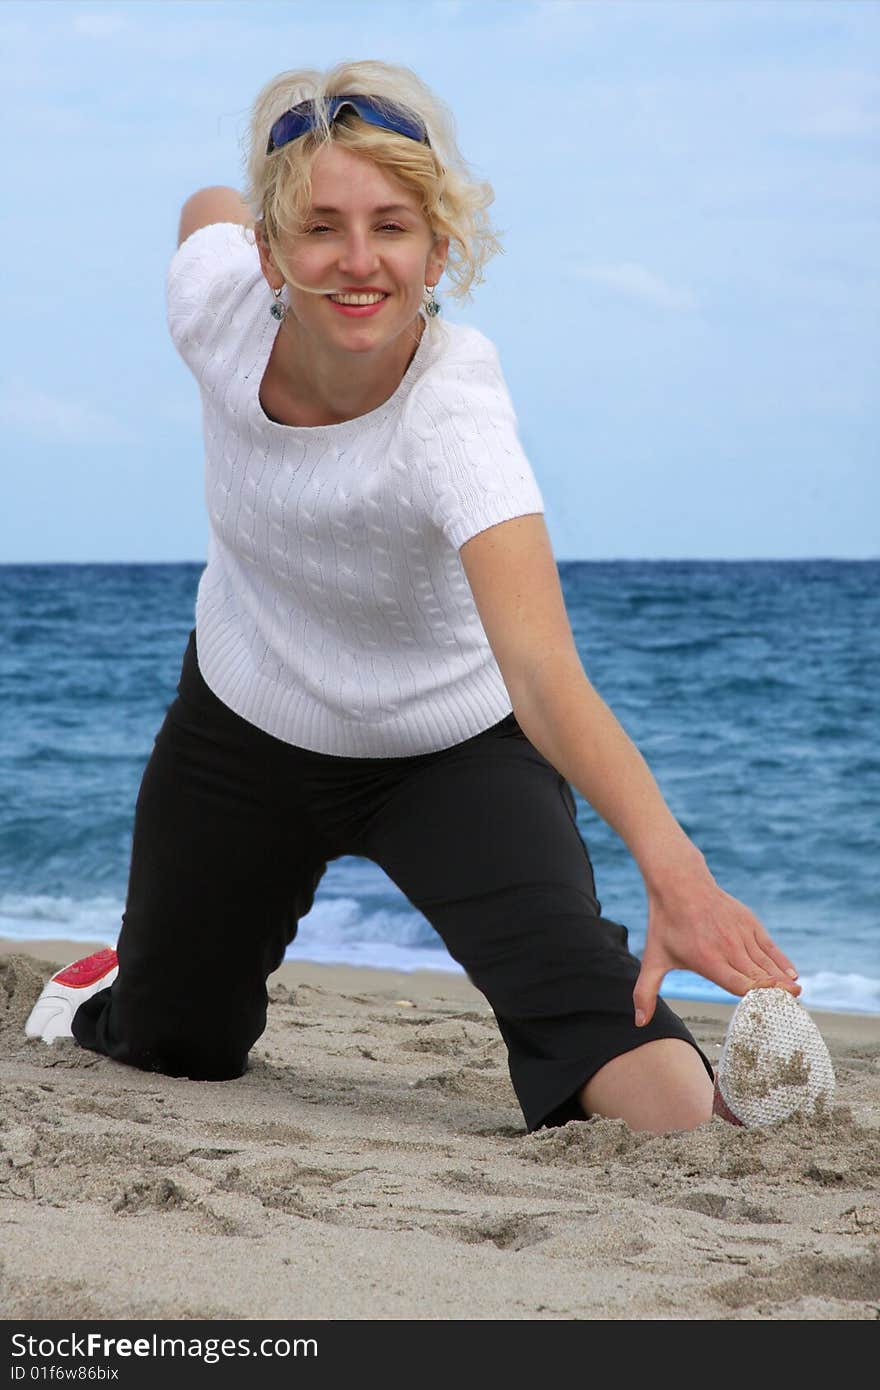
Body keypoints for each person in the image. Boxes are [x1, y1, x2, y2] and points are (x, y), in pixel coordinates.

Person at [26, 60, 801, 1136]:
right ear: (267, 252)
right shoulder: (218, 306)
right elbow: (202, 211)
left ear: (439, 250)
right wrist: (252, 185)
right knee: (177, 1045)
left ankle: (686, 1101)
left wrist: (679, 876)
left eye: (391, 226)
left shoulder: (455, 420)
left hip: (451, 753)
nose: (355, 261)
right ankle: (105, 986)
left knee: (622, 1052)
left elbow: (540, 672)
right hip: (245, 726)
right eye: (318, 227)